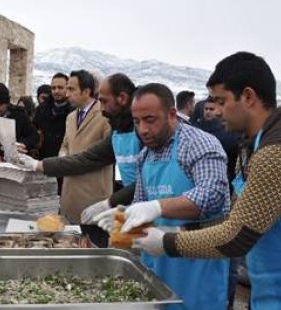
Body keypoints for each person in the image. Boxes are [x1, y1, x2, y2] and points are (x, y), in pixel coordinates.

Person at [131, 52, 281, 309]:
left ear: (248, 97)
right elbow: (236, 217)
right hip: (273, 279)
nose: (216, 111)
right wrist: (177, 230)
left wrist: (166, 241)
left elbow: (237, 236)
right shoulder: (251, 146)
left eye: (221, 101)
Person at [91, 82, 230, 310]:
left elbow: (211, 194)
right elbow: (141, 206)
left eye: (150, 120)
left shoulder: (199, 144)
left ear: (172, 114)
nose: (142, 129)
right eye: (137, 122)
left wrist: (157, 206)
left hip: (197, 271)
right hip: (158, 266)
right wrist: (124, 220)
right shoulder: (145, 155)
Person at [18, 73, 141, 247]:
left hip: (118, 202)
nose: (103, 109)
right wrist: (42, 164)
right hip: (126, 209)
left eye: (104, 102)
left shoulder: (139, 130)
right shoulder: (117, 130)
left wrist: (109, 202)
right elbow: (86, 156)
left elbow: (145, 180)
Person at [32, 73, 73, 159]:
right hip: (43, 159)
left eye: (60, 88)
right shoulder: (41, 109)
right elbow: (33, 130)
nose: (56, 91)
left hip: (64, 161)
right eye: (53, 88)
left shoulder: (74, 111)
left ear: (68, 89)